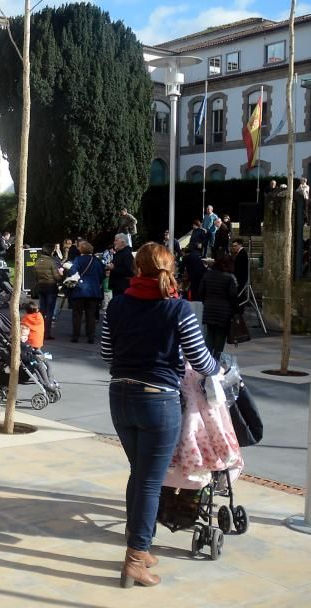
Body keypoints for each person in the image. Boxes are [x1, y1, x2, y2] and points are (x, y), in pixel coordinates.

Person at [101, 243, 219, 588]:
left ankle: (139, 542)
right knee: (151, 480)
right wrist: (218, 368)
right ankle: (135, 559)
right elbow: (201, 361)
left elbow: (107, 352)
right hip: (157, 400)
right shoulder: (178, 309)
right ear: (170, 268)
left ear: (137, 269)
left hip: (119, 395)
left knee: (140, 473)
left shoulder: (117, 304)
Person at [199, 254, 240, 358]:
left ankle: (206, 362)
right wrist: (236, 312)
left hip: (209, 309)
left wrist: (207, 302)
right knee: (220, 338)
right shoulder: (230, 277)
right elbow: (233, 296)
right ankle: (215, 362)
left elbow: (201, 293)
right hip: (224, 312)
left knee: (210, 335)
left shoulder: (207, 275)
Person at [69, 240, 105, 343]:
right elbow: (102, 275)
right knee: (91, 314)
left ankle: (75, 336)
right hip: (93, 290)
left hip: (79, 289)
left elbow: (73, 272)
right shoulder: (97, 261)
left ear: (81, 250)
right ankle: (91, 336)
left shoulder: (78, 260)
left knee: (77, 314)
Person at [32, 244, 63, 339]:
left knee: (42, 310)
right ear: (50, 251)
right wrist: (62, 276)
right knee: (49, 311)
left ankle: (39, 331)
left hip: (41, 287)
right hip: (51, 287)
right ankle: (47, 333)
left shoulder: (37, 261)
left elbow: (35, 276)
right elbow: (57, 277)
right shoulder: (51, 262)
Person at [106, 233, 135, 297]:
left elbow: (130, 272)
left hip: (123, 288)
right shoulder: (119, 253)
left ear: (123, 242)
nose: (114, 242)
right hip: (118, 287)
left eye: (116, 240)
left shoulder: (127, 254)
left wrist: (114, 268)